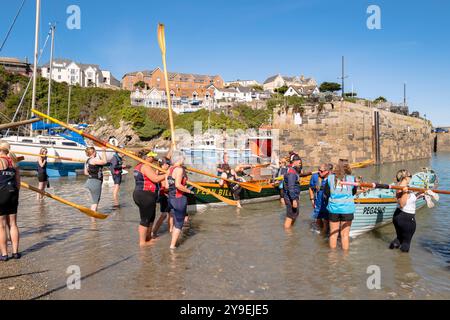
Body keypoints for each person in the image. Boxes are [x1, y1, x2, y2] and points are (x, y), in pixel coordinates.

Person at [133, 151, 165, 246]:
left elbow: (150, 176)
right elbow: (155, 179)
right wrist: (168, 175)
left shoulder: (138, 166)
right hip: (145, 195)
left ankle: (148, 238)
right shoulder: (145, 166)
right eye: (152, 157)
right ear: (147, 157)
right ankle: (142, 242)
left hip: (141, 194)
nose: (153, 159)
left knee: (151, 217)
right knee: (145, 219)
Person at [325, 159, 357, 250]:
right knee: (345, 235)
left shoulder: (330, 178)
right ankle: (345, 259)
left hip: (334, 209)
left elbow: (326, 193)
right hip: (347, 209)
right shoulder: (352, 179)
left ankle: (332, 258)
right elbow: (353, 192)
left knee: (333, 234)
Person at [167, 153, 195, 249]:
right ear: (179, 160)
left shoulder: (169, 169)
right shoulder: (179, 170)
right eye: (183, 159)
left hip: (171, 198)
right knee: (179, 223)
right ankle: (172, 246)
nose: (184, 161)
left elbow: (167, 186)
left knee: (176, 221)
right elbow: (178, 185)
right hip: (179, 198)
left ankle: (172, 240)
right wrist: (189, 191)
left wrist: (184, 173)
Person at [389, 170, 420, 253]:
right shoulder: (403, 187)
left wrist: (421, 194)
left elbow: (408, 199)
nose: (411, 178)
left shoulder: (398, 185)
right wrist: (405, 192)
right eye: (410, 176)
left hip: (397, 215)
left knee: (399, 238)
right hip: (407, 218)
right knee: (406, 243)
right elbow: (402, 203)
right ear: (406, 177)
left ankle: (389, 253)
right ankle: (404, 263)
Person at [0, 142, 21, 261]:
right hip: (13, 193)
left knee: (1, 225)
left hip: (1, 193)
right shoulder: (14, 161)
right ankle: (15, 253)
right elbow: (18, 183)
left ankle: (4, 254)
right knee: (13, 224)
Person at [84, 146, 108, 222]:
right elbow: (104, 162)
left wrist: (93, 171)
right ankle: (93, 222)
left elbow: (86, 173)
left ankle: (93, 218)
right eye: (95, 151)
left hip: (89, 181)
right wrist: (104, 151)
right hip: (95, 182)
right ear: (94, 152)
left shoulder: (87, 161)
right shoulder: (94, 160)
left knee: (95, 200)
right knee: (95, 202)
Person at [309, 163, 333, 234]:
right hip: (318, 203)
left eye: (321, 171)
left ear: (327, 171)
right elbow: (311, 188)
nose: (319, 172)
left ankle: (323, 237)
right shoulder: (315, 177)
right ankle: (320, 236)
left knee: (326, 222)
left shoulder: (332, 178)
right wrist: (312, 199)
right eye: (318, 170)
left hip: (327, 204)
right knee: (318, 220)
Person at [152, 157, 172, 237]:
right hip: (164, 195)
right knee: (164, 215)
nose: (169, 166)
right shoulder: (162, 173)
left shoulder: (157, 171)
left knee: (170, 214)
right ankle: (154, 232)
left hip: (162, 195)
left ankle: (170, 230)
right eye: (168, 164)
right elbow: (165, 187)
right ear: (163, 165)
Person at [283, 154, 302, 229]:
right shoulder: (291, 172)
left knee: (295, 214)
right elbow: (291, 187)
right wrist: (293, 199)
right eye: (299, 162)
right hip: (290, 197)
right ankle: (288, 235)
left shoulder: (293, 170)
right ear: (294, 162)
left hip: (292, 196)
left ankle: (291, 229)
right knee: (290, 215)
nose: (300, 163)